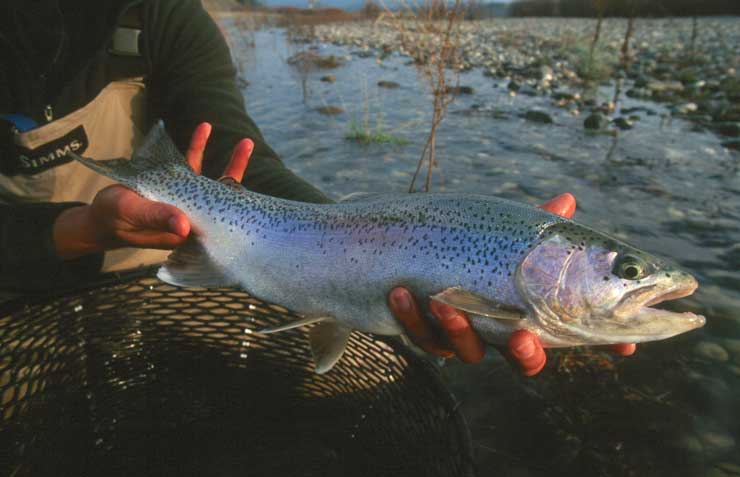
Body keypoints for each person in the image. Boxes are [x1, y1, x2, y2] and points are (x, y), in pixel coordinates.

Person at [0, 0, 634, 376]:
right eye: (626, 269)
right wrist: (79, 227)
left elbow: (236, 148)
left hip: (153, 250)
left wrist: (360, 239)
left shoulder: (159, 14)